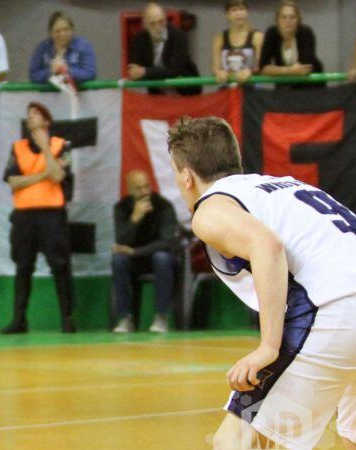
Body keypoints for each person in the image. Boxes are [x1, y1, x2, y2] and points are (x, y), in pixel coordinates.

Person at [168, 116, 356, 450]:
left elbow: (267, 246)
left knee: (236, 440)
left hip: (336, 307)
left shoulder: (211, 207)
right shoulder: (284, 187)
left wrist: (269, 346)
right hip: (343, 299)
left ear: (186, 177)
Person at [0, 102, 75, 335]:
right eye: (29, 114)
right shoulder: (18, 147)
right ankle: (19, 320)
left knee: (60, 266)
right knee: (23, 267)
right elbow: (12, 181)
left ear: (46, 121)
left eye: (36, 114)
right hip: (24, 216)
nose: (31, 117)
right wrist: (43, 175)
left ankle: (67, 318)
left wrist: (44, 149)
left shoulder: (62, 145)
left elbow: (59, 175)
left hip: (52, 215)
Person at [111, 170, 178, 333]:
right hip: (136, 261)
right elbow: (121, 241)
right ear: (130, 190)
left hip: (160, 259)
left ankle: (161, 318)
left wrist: (135, 252)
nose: (145, 192)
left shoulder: (163, 206)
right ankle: (125, 319)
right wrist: (134, 219)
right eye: (139, 188)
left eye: (147, 186)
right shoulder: (121, 207)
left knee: (161, 258)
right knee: (118, 259)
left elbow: (167, 242)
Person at [128, 2, 201, 95]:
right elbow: (134, 69)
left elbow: (174, 70)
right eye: (152, 23)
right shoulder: (139, 39)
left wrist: (145, 71)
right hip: (157, 94)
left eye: (161, 22)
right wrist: (135, 72)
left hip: (185, 91)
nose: (158, 27)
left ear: (166, 20)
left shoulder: (179, 36)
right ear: (144, 24)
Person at [259, 0, 323, 87]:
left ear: (298, 20)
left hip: (310, 87)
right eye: (284, 17)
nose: (288, 21)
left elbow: (304, 69)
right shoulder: (271, 33)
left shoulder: (306, 32)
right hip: (283, 89)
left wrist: (276, 70)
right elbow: (263, 68)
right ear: (278, 20)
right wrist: (289, 70)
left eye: (292, 17)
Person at [29, 11, 96, 85]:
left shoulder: (83, 46)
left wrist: (66, 70)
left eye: (66, 30)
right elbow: (33, 75)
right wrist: (50, 71)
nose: (62, 34)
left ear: (72, 30)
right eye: (58, 31)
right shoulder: (42, 49)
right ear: (51, 33)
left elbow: (90, 74)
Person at [212, 0, 264, 85]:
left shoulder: (257, 37)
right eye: (234, 10)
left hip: (250, 89)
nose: (238, 13)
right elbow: (215, 68)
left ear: (247, 12)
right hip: (228, 89)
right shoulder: (219, 39)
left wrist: (250, 71)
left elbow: (262, 66)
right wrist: (219, 73)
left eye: (241, 9)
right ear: (227, 15)